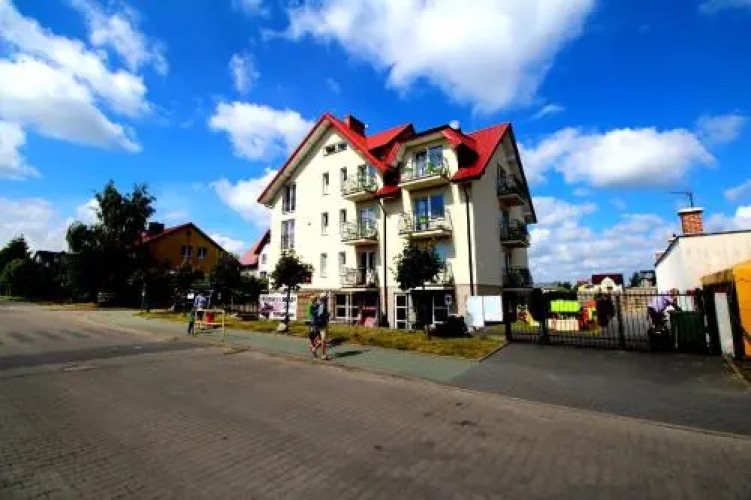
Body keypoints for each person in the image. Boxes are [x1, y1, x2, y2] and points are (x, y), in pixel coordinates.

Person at [313, 293, 332, 360]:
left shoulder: (319, 304)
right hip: (322, 325)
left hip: (319, 324)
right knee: (323, 340)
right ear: (323, 298)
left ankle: (314, 348)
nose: (327, 299)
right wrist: (327, 315)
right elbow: (320, 315)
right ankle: (323, 355)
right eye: (326, 298)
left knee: (322, 340)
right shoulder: (322, 305)